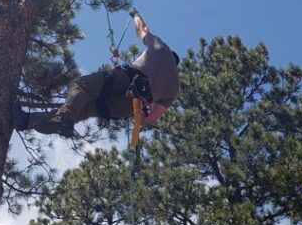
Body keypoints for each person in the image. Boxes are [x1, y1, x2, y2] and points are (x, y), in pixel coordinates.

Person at [14, 11, 179, 137]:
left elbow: (143, 30)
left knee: (79, 87)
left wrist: (136, 15)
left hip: (126, 80)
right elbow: (148, 119)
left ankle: (57, 119)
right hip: (127, 107)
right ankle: (28, 121)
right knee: (80, 108)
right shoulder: (174, 89)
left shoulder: (161, 49)